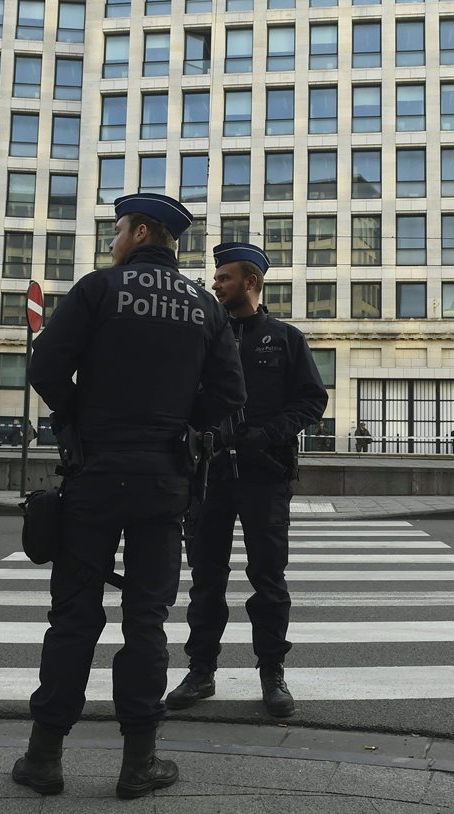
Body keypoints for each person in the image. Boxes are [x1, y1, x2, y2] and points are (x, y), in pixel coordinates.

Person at [12, 193, 246, 799]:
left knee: (73, 618)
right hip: (166, 483)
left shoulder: (99, 288)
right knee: (146, 623)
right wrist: (183, 430)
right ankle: (138, 763)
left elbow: (45, 369)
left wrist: (78, 420)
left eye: (117, 230)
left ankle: (44, 758)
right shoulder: (203, 304)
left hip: (93, 475)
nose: (112, 240)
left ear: (141, 232)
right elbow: (228, 397)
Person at [165, 242, 328, 719]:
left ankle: (272, 674)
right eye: (216, 278)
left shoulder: (284, 338)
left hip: (265, 476)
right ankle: (201, 672)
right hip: (209, 477)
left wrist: (266, 436)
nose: (215, 284)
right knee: (205, 581)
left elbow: (311, 400)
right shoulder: (202, 336)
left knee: (268, 581)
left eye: (225, 277)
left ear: (251, 282)